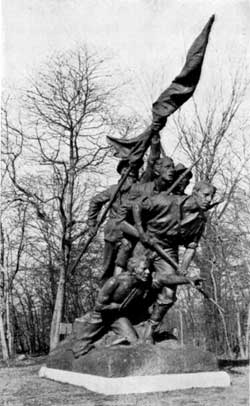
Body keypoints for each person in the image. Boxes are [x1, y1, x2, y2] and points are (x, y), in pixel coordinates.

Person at [130, 180, 216, 342]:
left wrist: (183, 268)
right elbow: (137, 204)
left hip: (168, 251)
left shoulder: (200, 220)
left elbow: (191, 246)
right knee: (135, 283)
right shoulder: (168, 200)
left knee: (169, 293)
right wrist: (141, 231)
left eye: (212, 196)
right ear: (195, 192)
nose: (209, 200)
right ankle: (125, 322)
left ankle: (148, 332)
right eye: (206, 195)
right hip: (146, 244)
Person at [71, 255, 151, 358]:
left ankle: (108, 340)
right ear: (134, 269)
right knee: (79, 349)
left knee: (133, 341)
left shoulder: (141, 284)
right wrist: (115, 306)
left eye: (148, 269)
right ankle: (102, 341)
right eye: (144, 268)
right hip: (100, 315)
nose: (148, 272)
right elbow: (98, 306)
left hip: (117, 317)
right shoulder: (115, 281)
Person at [114, 156, 176, 274]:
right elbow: (120, 217)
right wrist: (138, 235)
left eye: (173, 167)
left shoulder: (171, 195)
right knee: (125, 254)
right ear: (157, 171)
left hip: (158, 240)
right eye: (168, 167)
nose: (172, 170)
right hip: (134, 236)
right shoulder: (140, 189)